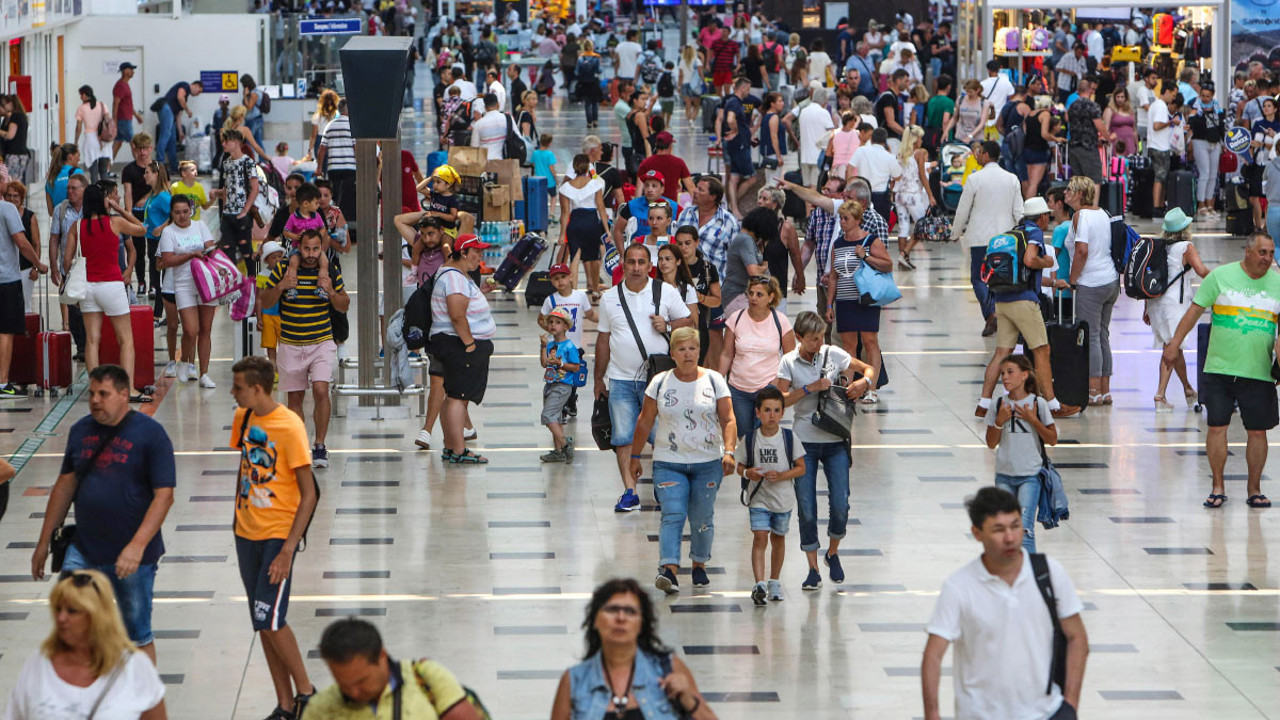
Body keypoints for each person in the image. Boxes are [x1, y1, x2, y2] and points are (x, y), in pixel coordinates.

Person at [30, 364, 175, 661]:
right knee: (72, 624)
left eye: (103, 394)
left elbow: (164, 496)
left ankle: (142, 702)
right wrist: (43, 543)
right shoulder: (80, 430)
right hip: (84, 550)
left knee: (136, 634)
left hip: (134, 558)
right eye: (92, 393)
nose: (95, 400)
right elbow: (65, 486)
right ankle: (83, 693)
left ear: (124, 395)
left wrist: (137, 546)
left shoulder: (151, 435)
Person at [923, 486, 1088, 720]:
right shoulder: (959, 586)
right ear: (977, 533)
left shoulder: (1049, 573)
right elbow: (933, 655)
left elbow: (1077, 637)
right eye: (998, 530)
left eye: (1015, 526)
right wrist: (932, 714)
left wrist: (1070, 704)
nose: (1010, 537)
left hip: (1045, 713)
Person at [1162, 232, 1280, 509]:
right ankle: (1217, 486)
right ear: (1248, 251)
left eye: (1271, 253)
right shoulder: (1220, 277)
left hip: (1259, 370)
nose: (1267, 258)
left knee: (1258, 432)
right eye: (1263, 252)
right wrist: (1174, 344)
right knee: (1217, 427)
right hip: (1219, 368)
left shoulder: (1277, 283)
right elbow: (1193, 312)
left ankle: (1254, 488)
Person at [229, 355, 318, 720]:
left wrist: (287, 549)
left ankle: (307, 693)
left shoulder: (289, 425)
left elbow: (309, 492)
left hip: (277, 536)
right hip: (245, 532)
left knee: (271, 617)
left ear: (257, 388)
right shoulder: (243, 417)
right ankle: (284, 704)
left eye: (238, 388)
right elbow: (246, 466)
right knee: (261, 620)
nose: (233, 394)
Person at [629, 326, 735, 592]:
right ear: (672, 353)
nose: (688, 354)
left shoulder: (713, 380)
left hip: (708, 463)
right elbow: (644, 421)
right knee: (673, 513)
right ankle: (669, 570)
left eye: (693, 348)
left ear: (699, 351)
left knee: (701, 518)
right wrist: (635, 455)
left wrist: (730, 451)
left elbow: (728, 418)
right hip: (668, 462)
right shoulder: (660, 382)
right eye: (681, 349)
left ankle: (699, 564)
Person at [775, 311, 873, 589]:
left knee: (840, 503)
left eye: (820, 338)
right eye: (812, 340)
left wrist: (862, 382)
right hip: (803, 441)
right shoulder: (788, 362)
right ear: (799, 338)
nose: (818, 344)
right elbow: (780, 400)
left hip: (835, 439)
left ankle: (832, 551)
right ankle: (813, 567)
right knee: (806, 507)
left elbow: (869, 368)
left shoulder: (833, 353)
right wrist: (809, 388)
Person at [595, 244, 695, 513]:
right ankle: (629, 492)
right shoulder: (610, 298)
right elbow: (603, 339)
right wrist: (598, 379)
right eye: (631, 262)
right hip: (620, 379)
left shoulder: (665, 291)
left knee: (663, 435)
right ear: (623, 266)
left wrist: (669, 325)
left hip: (659, 381)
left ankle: (666, 486)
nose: (636, 268)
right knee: (623, 437)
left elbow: (689, 321)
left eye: (641, 262)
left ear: (649, 265)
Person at [4, 569, 166, 720]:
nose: (61, 618)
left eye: (72, 611)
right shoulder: (39, 664)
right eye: (58, 609)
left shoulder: (135, 667)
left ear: (97, 617)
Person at [551, 578, 717, 719]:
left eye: (630, 611)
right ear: (595, 620)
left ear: (641, 624)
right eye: (612, 609)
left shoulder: (669, 668)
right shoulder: (575, 681)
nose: (621, 617)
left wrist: (690, 701)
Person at [977, 197, 1078, 418]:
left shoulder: (1011, 234)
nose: (1048, 221)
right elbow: (1031, 261)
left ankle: (983, 404)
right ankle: (1053, 406)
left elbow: (1023, 272)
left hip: (1002, 301)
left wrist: (1051, 282)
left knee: (1002, 352)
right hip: (1024, 303)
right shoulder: (1033, 233)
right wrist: (1047, 263)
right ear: (1041, 217)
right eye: (1047, 216)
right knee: (1042, 350)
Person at [259, 230, 351, 468]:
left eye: (315, 249)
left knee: (321, 390)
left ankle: (320, 446)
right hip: (290, 343)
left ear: (322, 248)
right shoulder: (283, 269)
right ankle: (300, 444)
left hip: (321, 341)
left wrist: (330, 291)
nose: (311, 254)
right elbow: (266, 302)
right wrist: (280, 287)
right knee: (295, 397)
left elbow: (343, 305)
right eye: (307, 249)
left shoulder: (330, 270)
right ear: (299, 248)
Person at [64, 185, 148, 401]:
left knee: (92, 340)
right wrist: (118, 209)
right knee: (125, 340)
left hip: (88, 288)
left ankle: (96, 389)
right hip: (111, 285)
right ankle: (127, 389)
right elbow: (141, 228)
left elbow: (66, 262)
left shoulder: (77, 227)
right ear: (103, 202)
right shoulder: (114, 222)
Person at [306, 617, 485, 719]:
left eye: (362, 681)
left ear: (382, 656)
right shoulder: (321, 709)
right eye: (343, 684)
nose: (353, 693)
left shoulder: (426, 678)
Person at [430, 234, 497, 465]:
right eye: (475, 252)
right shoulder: (455, 278)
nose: (480, 256)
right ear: (462, 253)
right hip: (458, 344)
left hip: (452, 342)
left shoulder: (456, 275)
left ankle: (451, 446)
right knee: (459, 398)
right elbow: (457, 315)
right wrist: (469, 343)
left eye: (481, 251)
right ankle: (459, 450)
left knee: (453, 397)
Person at [738, 385, 805, 605]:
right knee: (759, 536)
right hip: (759, 498)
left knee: (778, 537)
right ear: (757, 412)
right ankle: (759, 583)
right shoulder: (750, 439)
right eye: (767, 410)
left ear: (783, 413)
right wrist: (749, 473)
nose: (772, 415)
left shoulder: (789, 437)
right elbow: (740, 466)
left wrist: (783, 475)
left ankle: (774, 580)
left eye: (776, 410)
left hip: (783, 500)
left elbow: (801, 467)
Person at [984, 354, 1058, 552]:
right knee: (1004, 529)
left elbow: (1052, 439)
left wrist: (1033, 420)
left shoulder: (1038, 404)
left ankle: (1029, 574)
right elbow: (991, 443)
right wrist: (999, 421)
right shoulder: (998, 404)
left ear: (1024, 375)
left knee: (1024, 529)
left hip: (1029, 476)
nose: (1005, 378)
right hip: (1004, 476)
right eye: (1002, 374)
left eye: (1010, 372)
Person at [952, 141, 1023, 337]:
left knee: (979, 279)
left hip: (980, 238)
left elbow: (963, 210)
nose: (976, 155)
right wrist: (1024, 234)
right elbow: (1019, 211)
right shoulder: (1012, 179)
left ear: (985, 155)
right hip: (1006, 239)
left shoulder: (975, 179)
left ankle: (991, 314)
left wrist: (955, 233)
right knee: (1002, 278)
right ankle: (1002, 318)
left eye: (978, 152)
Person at [1144, 208, 1211, 412]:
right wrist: (1222, 281)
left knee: (1174, 346)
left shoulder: (1159, 247)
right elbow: (1201, 271)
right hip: (1175, 304)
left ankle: (1189, 390)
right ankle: (1160, 395)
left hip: (1155, 303)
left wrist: (1145, 308)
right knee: (1171, 348)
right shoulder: (1186, 247)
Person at [825, 199, 891, 403]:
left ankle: (871, 387)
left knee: (870, 342)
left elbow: (888, 265)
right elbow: (834, 276)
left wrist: (866, 257)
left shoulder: (870, 241)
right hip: (844, 300)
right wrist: (829, 304)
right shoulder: (838, 243)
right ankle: (848, 387)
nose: (842, 222)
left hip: (866, 298)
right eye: (841, 218)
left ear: (857, 220)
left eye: (846, 218)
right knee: (848, 344)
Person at [1065, 176, 1120, 406]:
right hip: (1111, 280)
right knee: (1103, 334)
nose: (1065, 193)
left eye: (1069, 190)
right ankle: (1106, 390)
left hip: (1091, 282)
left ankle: (1093, 390)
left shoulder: (1081, 216)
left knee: (1091, 336)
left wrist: (1072, 279)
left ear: (1079, 194)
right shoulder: (1103, 214)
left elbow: (1082, 251)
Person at [718, 275, 795, 435]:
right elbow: (726, 354)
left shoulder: (780, 321)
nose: (753, 298)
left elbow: (790, 359)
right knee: (745, 434)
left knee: (764, 433)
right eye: (751, 293)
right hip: (739, 388)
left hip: (768, 387)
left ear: (770, 297)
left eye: (759, 294)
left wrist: (781, 388)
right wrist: (718, 381)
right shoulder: (736, 318)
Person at [156, 194, 217, 387]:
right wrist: (191, 254)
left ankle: (204, 373)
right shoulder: (168, 232)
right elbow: (166, 260)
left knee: (206, 329)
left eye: (185, 211)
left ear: (191, 210)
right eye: (177, 212)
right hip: (183, 284)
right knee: (191, 329)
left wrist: (207, 252)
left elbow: (211, 250)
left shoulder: (200, 226)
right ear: (171, 214)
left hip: (206, 282)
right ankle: (184, 361)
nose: (182, 216)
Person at [213, 127, 261, 276]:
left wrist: (245, 210)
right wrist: (219, 197)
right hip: (228, 213)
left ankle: (253, 281)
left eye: (227, 141)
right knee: (228, 249)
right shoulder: (226, 163)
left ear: (237, 142)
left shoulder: (248, 162)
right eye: (223, 141)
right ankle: (235, 281)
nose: (224, 144)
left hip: (241, 213)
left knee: (247, 250)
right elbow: (228, 188)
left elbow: (255, 188)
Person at [539, 307, 583, 463]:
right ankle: (558, 452)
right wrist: (543, 346)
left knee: (547, 415)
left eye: (558, 322)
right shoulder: (550, 345)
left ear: (565, 326)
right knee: (555, 417)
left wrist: (561, 363)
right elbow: (544, 364)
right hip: (550, 384)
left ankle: (565, 444)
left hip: (563, 385)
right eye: (550, 322)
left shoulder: (570, 346)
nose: (553, 325)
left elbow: (576, 367)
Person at [719, 208, 774, 316]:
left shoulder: (748, 240)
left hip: (739, 295)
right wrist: (764, 267)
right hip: (737, 295)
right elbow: (753, 272)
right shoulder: (745, 240)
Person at [892, 125, 933, 269]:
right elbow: (922, 175)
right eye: (920, 137)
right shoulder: (920, 153)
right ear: (915, 139)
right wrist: (931, 196)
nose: (922, 140)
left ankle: (903, 259)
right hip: (913, 195)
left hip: (900, 195)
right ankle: (904, 254)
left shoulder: (900, 153)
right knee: (922, 226)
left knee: (903, 227)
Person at [849, 127, 901, 224]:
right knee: (880, 225)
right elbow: (897, 176)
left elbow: (850, 168)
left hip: (861, 193)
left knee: (860, 224)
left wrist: (849, 186)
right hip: (881, 196)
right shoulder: (890, 157)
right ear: (885, 141)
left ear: (871, 138)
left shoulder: (861, 151)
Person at [1189, 83, 1226, 218]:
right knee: (1204, 174)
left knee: (1212, 175)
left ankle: (1210, 204)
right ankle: (1201, 204)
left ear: (1212, 95)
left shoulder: (1218, 109)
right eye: (1203, 96)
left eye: (1208, 96)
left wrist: (1223, 143)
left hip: (1215, 143)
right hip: (1200, 142)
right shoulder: (1195, 109)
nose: (1205, 99)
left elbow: (1222, 126)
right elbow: (1193, 126)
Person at [4, 180, 40, 313]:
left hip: (25, 268)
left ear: (22, 197)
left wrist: (36, 267)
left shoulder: (30, 216)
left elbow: (36, 243)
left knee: (25, 304)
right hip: (7, 268)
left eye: (15, 196)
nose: (12, 199)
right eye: (9, 195)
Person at [1066, 74, 1107, 184]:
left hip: (1073, 145)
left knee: (1079, 181)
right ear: (1089, 90)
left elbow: (1066, 117)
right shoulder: (1092, 105)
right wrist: (1108, 137)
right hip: (1088, 146)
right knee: (1095, 180)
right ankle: (1093, 202)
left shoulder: (1072, 104)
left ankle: (1080, 202)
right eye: (1092, 89)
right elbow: (1099, 124)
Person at [156, 80, 202, 173]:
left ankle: (173, 165)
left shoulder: (185, 98)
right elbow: (180, 97)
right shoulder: (185, 85)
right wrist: (188, 110)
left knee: (172, 140)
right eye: (199, 91)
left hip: (172, 114)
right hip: (167, 109)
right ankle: (159, 163)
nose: (198, 94)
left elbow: (178, 118)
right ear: (196, 86)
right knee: (165, 136)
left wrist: (180, 132)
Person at [74, 85, 113, 183]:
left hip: (90, 140)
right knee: (103, 171)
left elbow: (78, 127)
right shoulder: (102, 105)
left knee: (94, 173)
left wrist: (76, 141)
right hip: (103, 140)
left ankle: (95, 194)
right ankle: (107, 193)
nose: (80, 97)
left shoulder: (81, 108)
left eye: (80, 95)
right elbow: (108, 120)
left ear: (84, 95)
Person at [797, 87, 835, 186]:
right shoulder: (824, 113)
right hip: (817, 156)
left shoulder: (803, 111)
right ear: (824, 101)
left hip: (804, 156)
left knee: (806, 188)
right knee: (815, 187)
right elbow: (831, 133)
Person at [44, 143, 84, 216]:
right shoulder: (77, 173)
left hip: (58, 222)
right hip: (75, 221)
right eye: (78, 156)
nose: (79, 159)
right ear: (70, 157)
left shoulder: (51, 178)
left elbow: (50, 211)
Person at [576, 40, 603, 128]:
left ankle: (589, 122)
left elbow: (576, 72)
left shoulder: (581, 58)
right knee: (595, 102)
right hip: (594, 82)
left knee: (587, 103)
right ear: (592, 47)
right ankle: (595, 121)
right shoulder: (597, 57)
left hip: (584, 83)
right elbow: (599, 70)